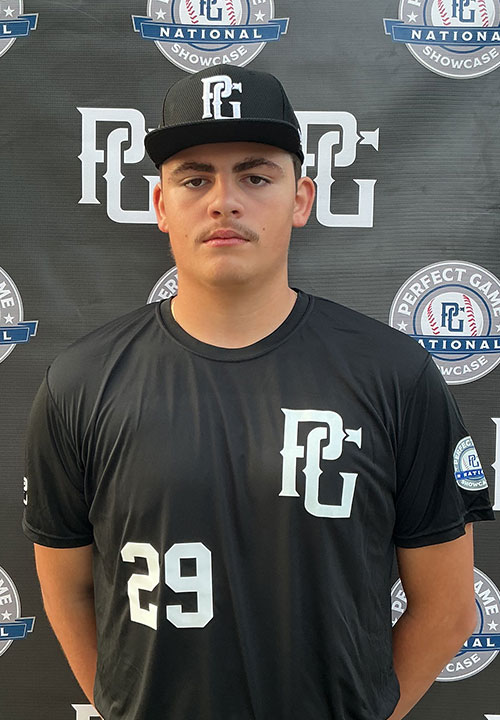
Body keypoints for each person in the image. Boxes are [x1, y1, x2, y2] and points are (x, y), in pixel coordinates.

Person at [23, 64, 494, 720]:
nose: (224, 202)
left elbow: (448, 609)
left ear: (301, 199)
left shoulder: (396, 375)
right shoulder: (79, 383)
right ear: (161, 205)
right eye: (195, 179)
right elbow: (68, 592)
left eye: (255, 176)